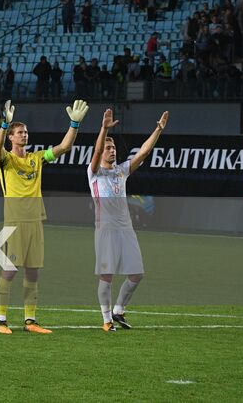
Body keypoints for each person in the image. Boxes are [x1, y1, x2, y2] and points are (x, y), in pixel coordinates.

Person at [0, 98, 90, 334]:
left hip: (35, 220)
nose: (24, 135)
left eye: (26, 132)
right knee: (10, 270)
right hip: (14, 221)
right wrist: (4, 125)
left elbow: (64, 147)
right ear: (11, 137)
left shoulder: (36, 158)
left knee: (33, 272)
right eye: (20, 132)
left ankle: (30, 321)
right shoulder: (6, 159)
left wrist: (74, 124)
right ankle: (1, 321)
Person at [89, 108, 168, 331]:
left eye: (113, 147)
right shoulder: (94, 172)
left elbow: (143, 152)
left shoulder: (121, 171)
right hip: (105, 229)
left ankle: (118, 310)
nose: (112, 150)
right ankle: (106, 320)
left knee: (137, 274)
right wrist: (104, 129)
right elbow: (96, 151)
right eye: (108, 148)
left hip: (126, 229)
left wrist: (158, 130)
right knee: (106, 277)